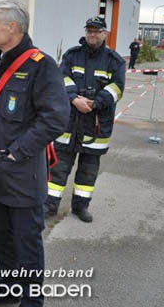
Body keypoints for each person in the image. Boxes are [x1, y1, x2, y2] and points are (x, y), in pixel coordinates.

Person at [0, 0, 69, 307]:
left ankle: (31, 301)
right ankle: (10, 287)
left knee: (25, 239)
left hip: (22, 171)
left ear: (12, 28)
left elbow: (56, 117)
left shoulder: (41, 66)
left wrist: (18, 151)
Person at [44, 16, 125, 223]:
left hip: (96, 124)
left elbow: (116, 89)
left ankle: (81, 207)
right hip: (70, 121)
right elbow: (61, 78)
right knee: (58, 168)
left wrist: (94, 103)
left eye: (96, 31)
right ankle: (49, 205)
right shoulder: (72, 55)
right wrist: (73, 99)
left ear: (104, 33)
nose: (92, 34)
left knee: (88, 172)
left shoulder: (115, 61)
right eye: (89, 30)